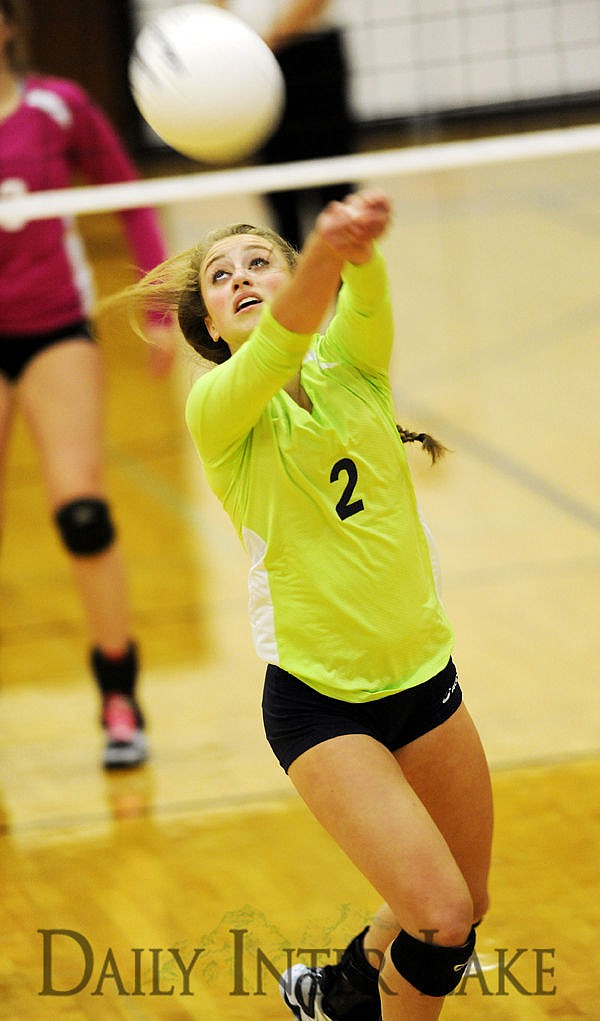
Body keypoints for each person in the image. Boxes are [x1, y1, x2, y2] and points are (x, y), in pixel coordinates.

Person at [111, 188, 493, 1020]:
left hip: (423, 675)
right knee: (440, 918)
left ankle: (340, 987)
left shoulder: (355, 368)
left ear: (294, 284)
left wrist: (358, 244)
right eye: (220, 276)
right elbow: (281, 341)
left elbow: (367, 293)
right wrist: (320, 250)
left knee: (466, 904)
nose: (241, 278)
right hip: (322, 704)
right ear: (208, 324)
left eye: (259, 263)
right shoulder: (218, 410)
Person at [0, 0, 175, 769]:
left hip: (52, 329)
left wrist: (161, 302)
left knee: (81, 513)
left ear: (7, 24)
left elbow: (126, 193)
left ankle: (119, 695)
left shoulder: (56, 107)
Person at [226, 0, 355, 251]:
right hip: (253, 58)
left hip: (309, 53)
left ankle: (345, 284)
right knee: (279, 189)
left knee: (332, 185)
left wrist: (263, 47)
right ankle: (290, 280)